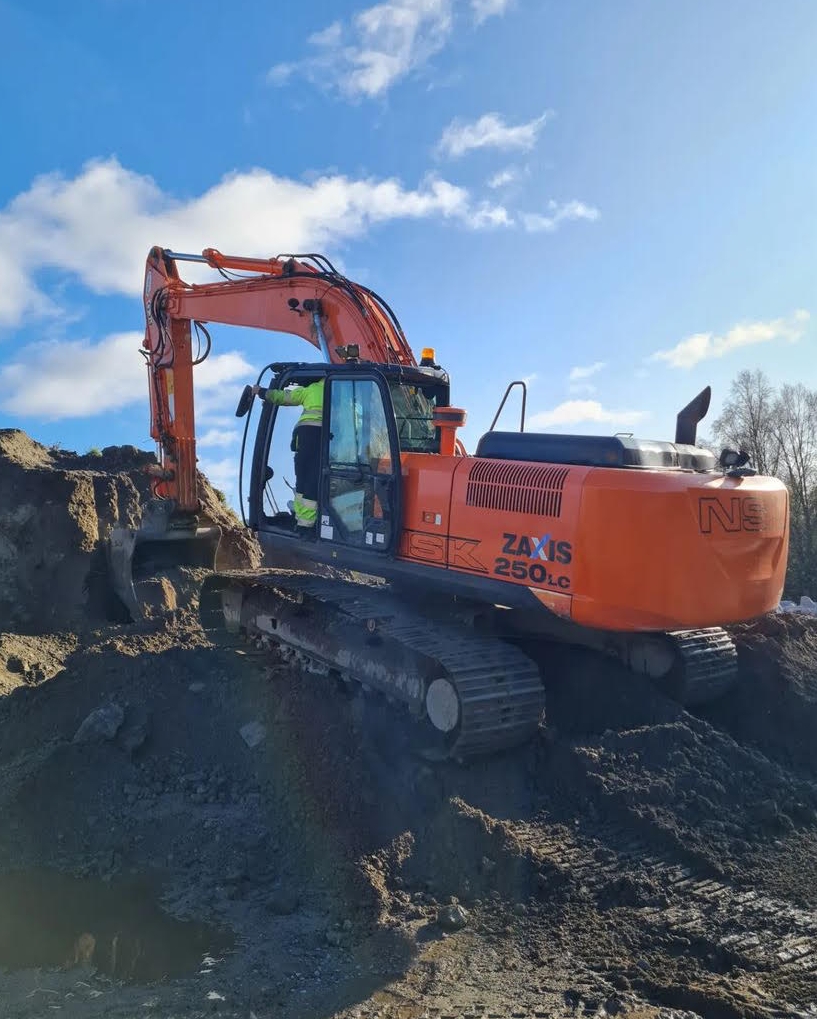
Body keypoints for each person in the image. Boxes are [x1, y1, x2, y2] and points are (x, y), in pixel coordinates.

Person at [252, 379, 324, 534]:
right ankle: (305, 520)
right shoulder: (341, 390)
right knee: (313, 481)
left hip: (305, 438)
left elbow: (284, 397)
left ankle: (304, 524)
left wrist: (262, 392)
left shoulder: (311, 389)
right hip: (324, 440)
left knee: (303, 482)